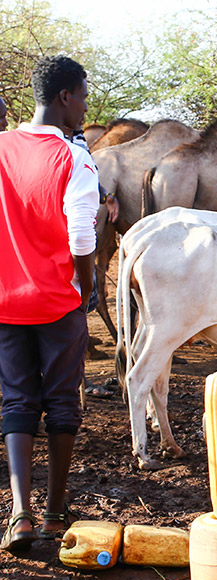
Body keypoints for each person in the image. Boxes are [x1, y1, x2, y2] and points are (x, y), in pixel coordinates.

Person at [0, 56, 99, 551]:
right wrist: (87, 288)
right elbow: (82, 235)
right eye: (82, 95)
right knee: (61, 402)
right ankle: (55, 515)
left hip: (4, 304)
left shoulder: (0, 148)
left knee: (17, 400)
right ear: (64, 97)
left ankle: (19, 514)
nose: (85, 106)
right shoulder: (73, 157)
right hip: (58, 302)